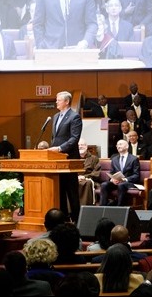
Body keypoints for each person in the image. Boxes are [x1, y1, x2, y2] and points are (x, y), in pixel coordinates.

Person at [48, 91, 82, 223]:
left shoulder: (74, 117)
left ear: (66, 102)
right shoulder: (55, 116)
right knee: (60, 190)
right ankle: (63, 218)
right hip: (56, 160)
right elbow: (55, 138)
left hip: (69, 159)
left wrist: (60, 148)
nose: (56, 102)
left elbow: (74, 138)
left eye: (58, 100)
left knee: (71, 192)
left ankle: (77, 219)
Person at [99, 139, 140, 206]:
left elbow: (136, 175)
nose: (118, 146)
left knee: (121, 185)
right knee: (104, 184)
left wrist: (124, 179)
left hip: (128, 183)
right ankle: (103, 207)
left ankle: (119, 208)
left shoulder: (134, 159)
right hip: (116, 182)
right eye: (117, 145)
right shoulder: (114, 159)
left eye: (120, 144)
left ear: (127, 146)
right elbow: (112, 172)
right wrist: (112, 179)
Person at [78, 138, 101, 205]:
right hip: (75, 179)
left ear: (86, 146)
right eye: (78, 145)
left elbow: (96, 172)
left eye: (82, 145)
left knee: (86, 183)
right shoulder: (73, 158)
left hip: (89, 179)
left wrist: (84, 177)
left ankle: (85, 207)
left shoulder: (94, 158)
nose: (80, 146)